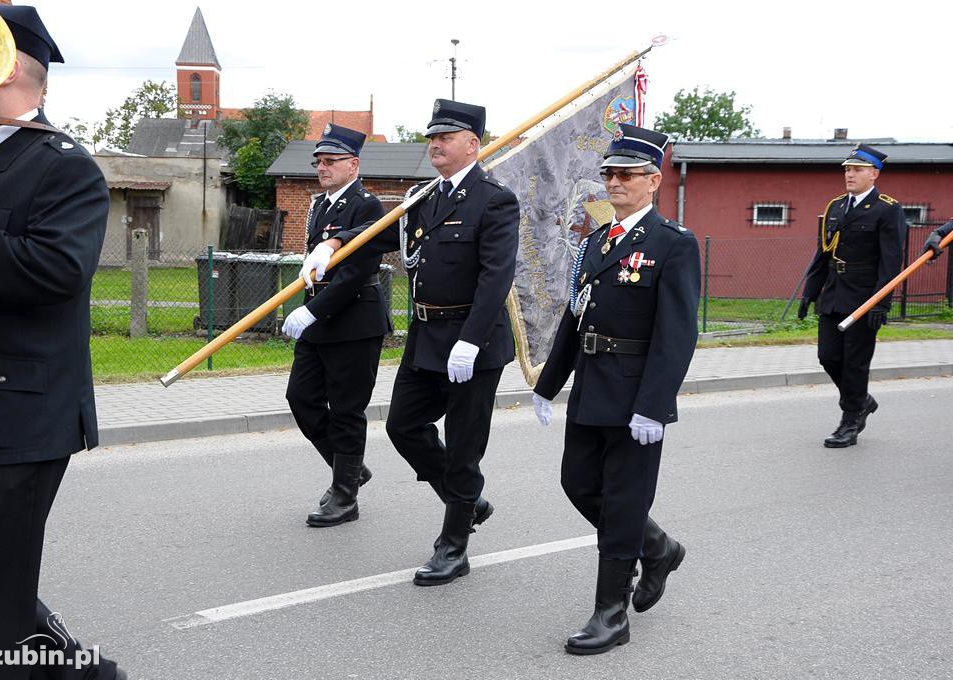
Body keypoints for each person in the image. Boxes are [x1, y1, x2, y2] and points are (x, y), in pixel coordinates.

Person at [0, 5, 124, 679]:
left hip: (13, 421)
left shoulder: (63, 167)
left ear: (8, 66)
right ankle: (77, 668)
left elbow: (55, 269)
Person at [303, 99, 518, 585]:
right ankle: (466, 501)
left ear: (472, 145)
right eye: (432, 138)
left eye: (446, 137)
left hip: (471, 343)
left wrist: (472, 339)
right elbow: (376, 231)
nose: (436, 144)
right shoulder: (423, 196)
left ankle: (453, 544)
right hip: (426, 336)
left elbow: (495, 276)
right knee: (403, 426)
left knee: (464, 448)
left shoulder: (495, 199)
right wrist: (331, 244)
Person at [532, 124, 700, 654]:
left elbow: (677, 333)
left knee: (624, 501)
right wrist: (548, 382)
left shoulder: (673, 244)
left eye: (625, 174)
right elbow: (575, 317)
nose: (614, 182)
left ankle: (611, 614)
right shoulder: (598, 239)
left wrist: (655, 405)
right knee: (579, 483)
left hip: (634, 395)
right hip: (590, 386)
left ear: (653, 180)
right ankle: (658, 547)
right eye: (608, 173)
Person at [281, 124, 387, 527]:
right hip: (321, 322)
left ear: (353, 164)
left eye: (330, 161)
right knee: (301, 399)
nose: (322, 168)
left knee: (346, 410)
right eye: (319, 162)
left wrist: (312, 311)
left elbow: (356, 272)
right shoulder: (321, 205)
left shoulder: (366, 206)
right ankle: (351, 468)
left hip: (354, 322)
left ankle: (345, 496)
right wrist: (309, 307)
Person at [799, 144, 906, 448]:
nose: (850, 174)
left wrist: (881, 302)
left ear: (874, 174)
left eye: (857, 169)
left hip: (864, 298)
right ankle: (861, 399)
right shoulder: (835, 206)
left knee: (855, 363)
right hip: (833, 294)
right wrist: (809, 294)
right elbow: (823, 254)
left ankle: (850, 421)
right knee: (828, 356)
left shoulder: (888, 209)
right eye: (847, 169)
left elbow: (890, 261)